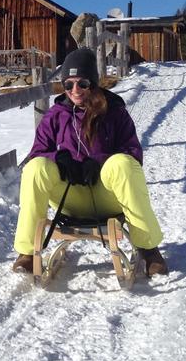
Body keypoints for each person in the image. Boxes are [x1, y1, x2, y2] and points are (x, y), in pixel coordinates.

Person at [12, 47, 168, 276]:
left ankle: (149, 250)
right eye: (68, 84)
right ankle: (27, 253)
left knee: (123, 164)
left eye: (82, 83)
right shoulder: (55, 115)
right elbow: (37, 153)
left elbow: (133, 152)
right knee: (35, 168)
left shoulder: (114, 112)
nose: (75, 90)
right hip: (70, 198)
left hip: (107, 196)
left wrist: (99, 161)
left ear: (93, 83)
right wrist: (60, 159)